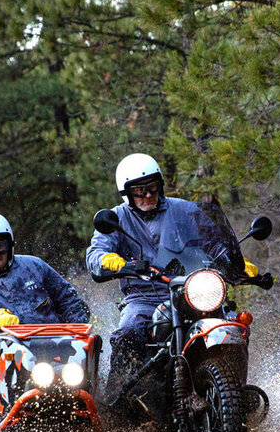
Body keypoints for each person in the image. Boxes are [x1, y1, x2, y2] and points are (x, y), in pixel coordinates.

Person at [85, 153, 259, 403]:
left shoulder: (186, 210)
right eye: (140, 190)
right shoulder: (118, 218)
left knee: (234, 324)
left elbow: (215, 243)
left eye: (153, 187)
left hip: (193, 290)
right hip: (145, 296)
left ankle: (235, 395)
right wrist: (110, 261)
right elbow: (97, 252)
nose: (148, 195)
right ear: (126, 193)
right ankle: (118, 403)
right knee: (128, 332)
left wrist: (236, 264)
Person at [0, 211, 89, 337]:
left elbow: (67, 298)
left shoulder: (34, 266)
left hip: (57, 345)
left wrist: (77, 329)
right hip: (4, 354)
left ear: (10, 245)